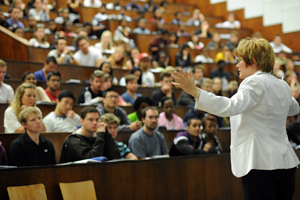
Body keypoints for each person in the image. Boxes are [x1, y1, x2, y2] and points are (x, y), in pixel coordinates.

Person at [172, 37, 300, 200]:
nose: (237, 65)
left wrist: (196, 92)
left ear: (252, 62)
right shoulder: (281, 85)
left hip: (260, 163)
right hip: (286, 163)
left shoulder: (253, 82)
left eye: (239, 60)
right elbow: (294, 108)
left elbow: (231, 107)